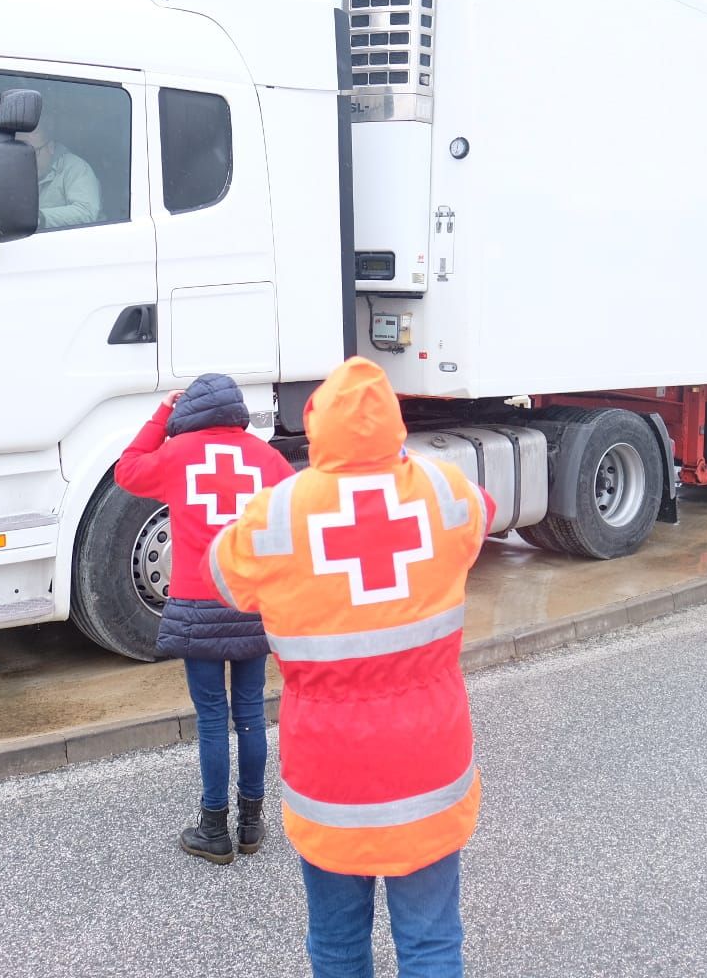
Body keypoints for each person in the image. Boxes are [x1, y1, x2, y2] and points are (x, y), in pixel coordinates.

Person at [209, 357, 494, 977]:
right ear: (394, 421)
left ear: (316, 425)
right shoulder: (444, 490)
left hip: (330, 771)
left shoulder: (279, 512)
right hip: (429, 762)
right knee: (432, 944)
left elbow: (223, 574)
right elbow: (484, 514)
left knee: (337, 945)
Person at [115, 373, 293, 864]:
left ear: (189, 410)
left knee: (213, 720)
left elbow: (127, 471)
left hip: (197, 607)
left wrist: (159, 417)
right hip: (250, 604)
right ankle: (252, 824)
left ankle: (213, 828)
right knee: (252, 715)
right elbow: (296, 512)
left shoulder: (178, 454)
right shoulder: (267, 458)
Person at [23, 117, 101, 229]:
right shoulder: (14, 172)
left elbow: (86, 212)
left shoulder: (76, 167)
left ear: (50, 147)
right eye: (23, 154)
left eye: (33, 152)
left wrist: (39, 218)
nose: (28, 160)